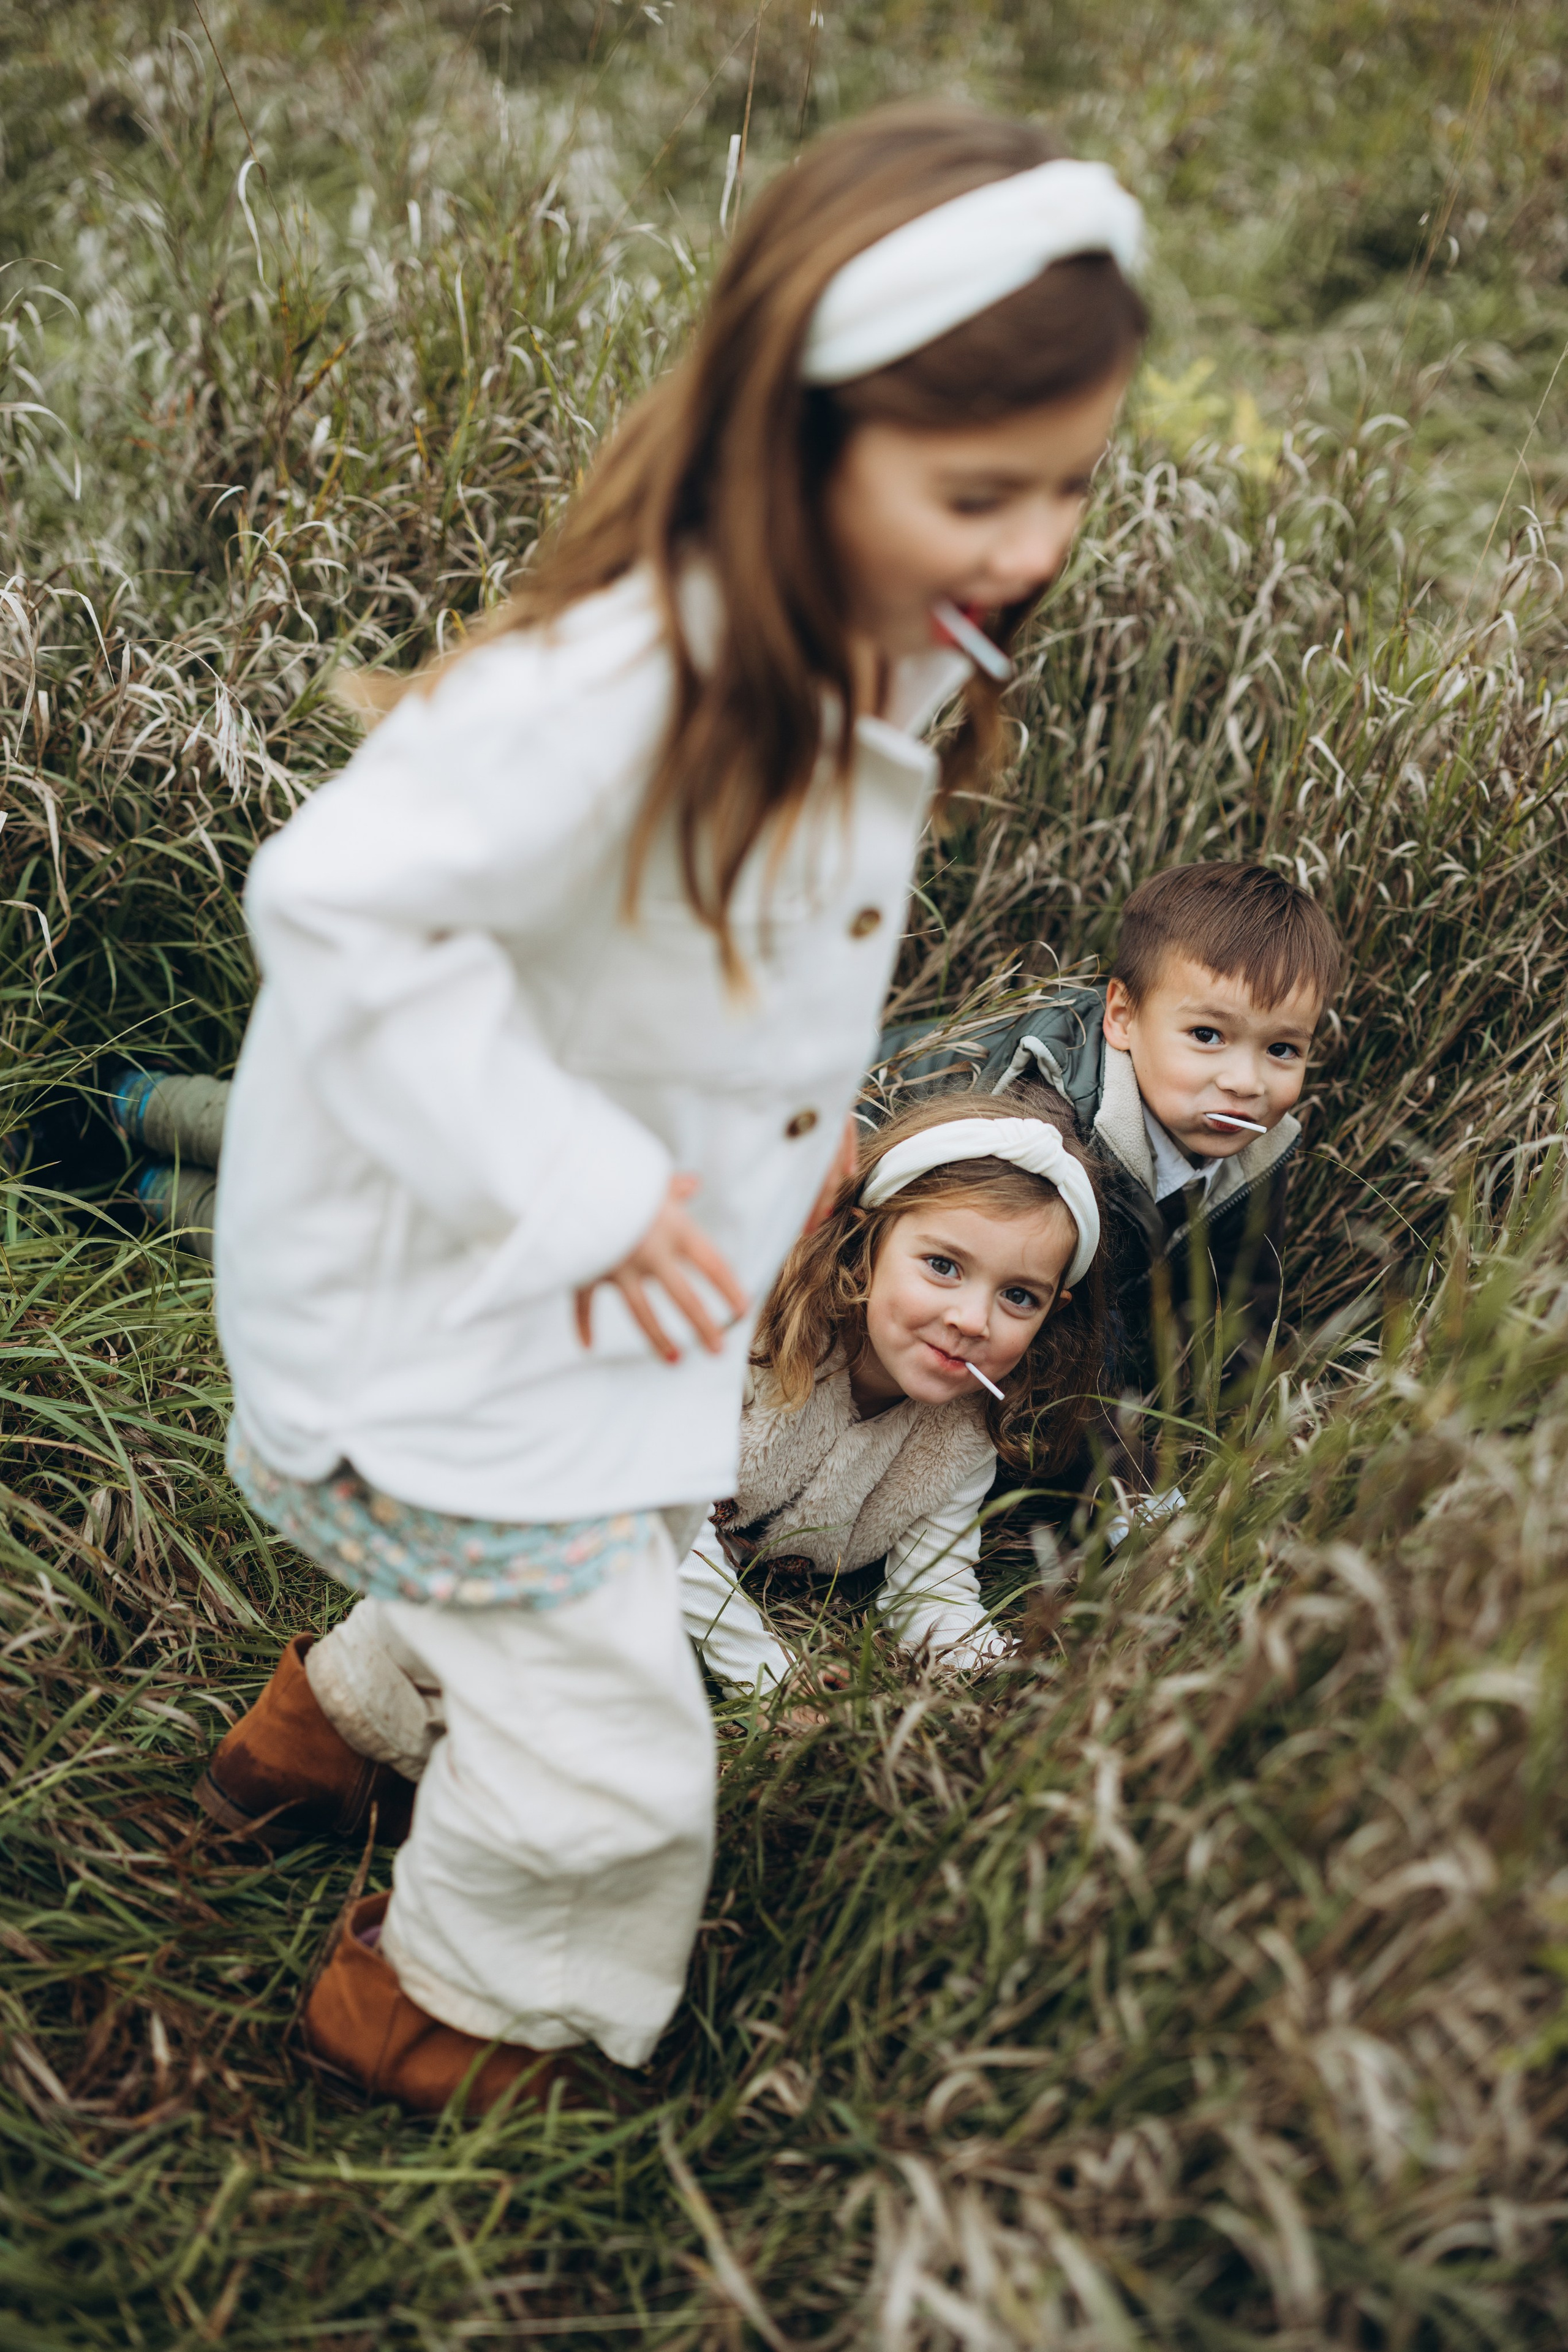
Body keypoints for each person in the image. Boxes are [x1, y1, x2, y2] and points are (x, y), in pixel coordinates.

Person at [176, 100, 1149, 2118]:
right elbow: (340, 907)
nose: (1038, 543)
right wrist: (594, 1190)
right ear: (799, 441)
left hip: (582, 1311)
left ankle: (315, 1736)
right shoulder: (637, 681)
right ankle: (435, 2012)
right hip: (449, 1314)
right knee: (616, 1742)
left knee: (541, 1594)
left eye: (1067, 483)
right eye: (984, 488)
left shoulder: (867, 643)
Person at [877, 862, 1343, 1517]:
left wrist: (1237, 1435)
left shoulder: (1253, 1139)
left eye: (1283, 1050)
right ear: (1121, 1017)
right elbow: (1063, 1335)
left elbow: (1240, 1299)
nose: (1246, 1082)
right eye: (1207, 1036)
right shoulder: (1053, 1131)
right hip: (842, 1145)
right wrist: (1131, 1488)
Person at [678, 1089, 1107, 1695]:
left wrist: (1015, 1678)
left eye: (1018, 1296)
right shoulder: (758, 1334)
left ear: (1050, 1313)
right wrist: (763, 1671)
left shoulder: (964, 1431)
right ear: (866, 1240)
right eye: (942, 1265)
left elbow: (930, 1592)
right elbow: (654, 1523)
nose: (971, 1319)